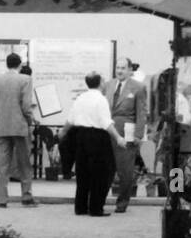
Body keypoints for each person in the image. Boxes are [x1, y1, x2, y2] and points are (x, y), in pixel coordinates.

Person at [61, 71, 126, 216]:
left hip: (80, 136)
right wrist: (118, 138)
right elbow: (106, 122)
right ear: (101, 83)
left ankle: (81, 207)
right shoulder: (101, 99)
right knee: (100, 174)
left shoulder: (80, 98)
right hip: (98, 138)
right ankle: (96, 208)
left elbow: (70, 119)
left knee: (82, 173)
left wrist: (63, 133)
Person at [0, 52, 38, 208]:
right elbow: (26, 105)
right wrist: (30, 120)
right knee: (24, 164)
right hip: (20, 126)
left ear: (6, 64)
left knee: (2, 166)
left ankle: (2, 199)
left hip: (2, 126)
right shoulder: (25, 79)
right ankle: (26, 196)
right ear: (20, 64)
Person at [108, 59, 150, 213]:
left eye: (123, 68)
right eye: (117, 67)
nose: (119, 71)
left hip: (127, 132)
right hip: (108, 131)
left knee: (125, 169)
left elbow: (141, 112)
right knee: (106, 167)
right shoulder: (109, 85)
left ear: (130, 70)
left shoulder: (138, 87)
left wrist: (139, 134)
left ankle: (122, 202)